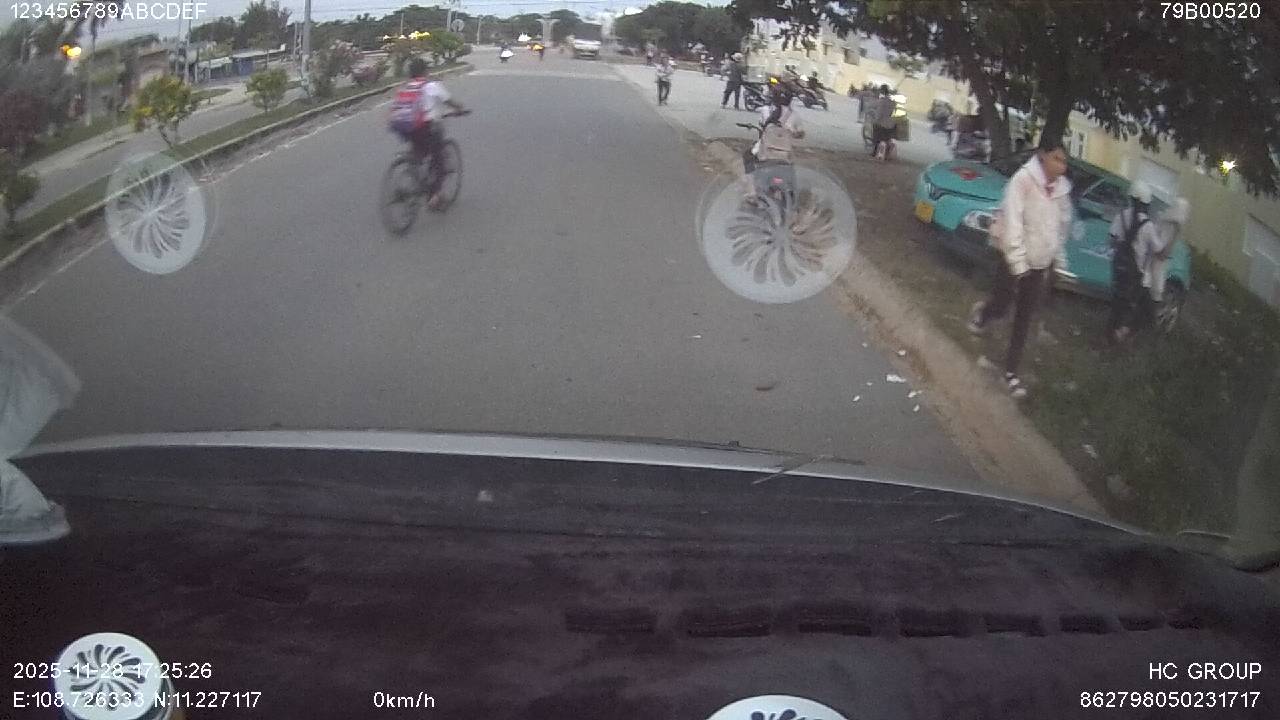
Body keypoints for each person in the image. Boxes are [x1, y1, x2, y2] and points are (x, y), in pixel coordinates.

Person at [967, 136, 1074, 398]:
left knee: (1024, 318)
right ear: (1042, 155)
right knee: (1002, 303)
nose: (1061, 166)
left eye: (1064, 161)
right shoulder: (1023, 181)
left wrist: (1058, 261)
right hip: (1014, 257)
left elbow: (1060, 229)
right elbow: (1013, 222)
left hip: (1039, 263)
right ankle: (983, 315)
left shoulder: (1062, 191)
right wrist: (1017, 261)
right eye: (1056, 159)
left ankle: (1010, 373)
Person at [389, 57, 469, 210]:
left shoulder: (406, 87)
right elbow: (449, 101)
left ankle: (413, 174)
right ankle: (434, 197)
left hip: (406, 128)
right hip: (426, 127)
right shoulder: (432, 86)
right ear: (425, 71)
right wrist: (460, 108)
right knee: (439, 160)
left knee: (418, 153)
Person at [1106, 180, 1164, 343]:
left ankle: (1112, 335)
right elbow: (1159, 250)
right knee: (1144, 309)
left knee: (1118, 303)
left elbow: (1111, 240)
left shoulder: (1121, 216)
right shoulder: (1148, 226)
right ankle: (1122, 334)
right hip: (1135, 273)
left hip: (1119, 266)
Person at [1146, 197, 1190, 308]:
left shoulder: (1165, 221)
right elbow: (1162, 253)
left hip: (1153, 264)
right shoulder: (1167, 225)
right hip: (1152, 264)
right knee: (1154, 293)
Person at [870, 85, 898, 159]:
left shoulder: (882, 101)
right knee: (888, 137)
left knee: (875, 131)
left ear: (882, 91)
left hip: (883, 124)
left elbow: (879, 114)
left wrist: (875, 121)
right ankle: (888, 152)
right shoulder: (893, 102)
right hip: (892, 124)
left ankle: (875, 151)